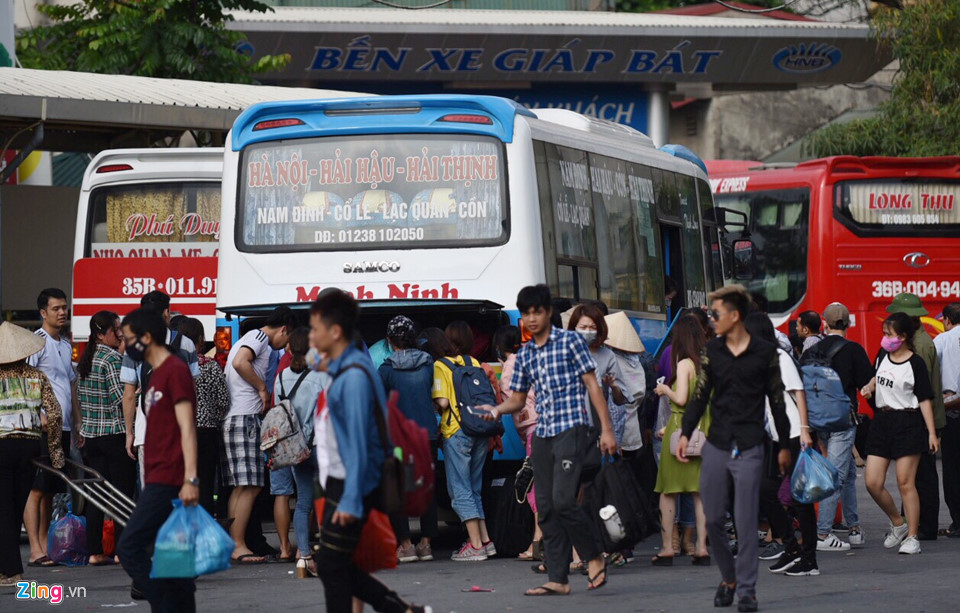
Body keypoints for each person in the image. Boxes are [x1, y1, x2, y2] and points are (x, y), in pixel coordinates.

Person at [480, 284, 617, 596]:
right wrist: (497, 409)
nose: (531, 318)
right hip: (542, 435)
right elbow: (516, 399)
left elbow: (593, 386)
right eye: (525, 313)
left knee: (565, 500)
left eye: (536, 312)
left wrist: (606, 430)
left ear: (548, 314)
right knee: (546, 506)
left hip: (573, 430)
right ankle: (557, 578)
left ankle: (594, 555)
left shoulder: (570, 343)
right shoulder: (525, 354)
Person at [309, 289, 432, 613]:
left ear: (334, 332)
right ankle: (404, 609)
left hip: (354, 483)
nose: (310, 336)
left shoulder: (353, 377)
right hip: (343, 481)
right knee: (337, 564)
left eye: (314, 329)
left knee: (332, 565)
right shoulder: (348, 366)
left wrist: (350, 498)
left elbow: (360, 446)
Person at [677, 285, 790, 613]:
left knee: (744, 519)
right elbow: (699, 396)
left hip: (750, 445)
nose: (711, 319)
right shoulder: (712, 350)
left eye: (716, 314)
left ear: (735, 316)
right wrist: (686, 433)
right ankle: (728, 578)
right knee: (713, 519)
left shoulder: (766, 353)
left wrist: (784, 446)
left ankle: (747, 590)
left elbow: (779, 402)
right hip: (716, 443)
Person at [115, 308, 200, 612]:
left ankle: (163, 604)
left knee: (129, 546)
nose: (124, 347)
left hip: (171, 479)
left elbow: (187, 426)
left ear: (147, 338)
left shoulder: (175, 370)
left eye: (127, 339)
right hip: (156, 475)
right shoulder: (152, 375)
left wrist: (191, 478)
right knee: (174, 562)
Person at [743, 314, 819, 577]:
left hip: (795, 435)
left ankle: (809, 559)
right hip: (777, 437)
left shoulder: (779, 357)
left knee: (801, 501)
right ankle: (791, 546)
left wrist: (806, 431)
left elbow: (798, 392)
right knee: (767, 492)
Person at [860, 312, 939, 555]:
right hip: (882, 422)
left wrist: (931, 433)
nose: (885, 339)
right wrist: (870, 386)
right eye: (884, 334)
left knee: (906, 483)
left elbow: (924, 399)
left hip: (908, 422)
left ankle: (912, 537)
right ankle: (898, 523)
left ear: (903, 337)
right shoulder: (883, 354)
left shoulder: (915, 363)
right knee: (872, 482)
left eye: (889, 334)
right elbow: (878, 377)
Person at [222, 305, 296, 564]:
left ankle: (234, 543)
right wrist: (262, 389)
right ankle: (238, 544)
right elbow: (240, 362)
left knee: (242, 486)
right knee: (251, 485)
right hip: (245, 418)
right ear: (284, 329)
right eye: (287, 338)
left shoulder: (253, 338)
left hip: (238, 418)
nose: (285, 345)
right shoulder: (260, 338)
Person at [0, 322, 64, 588]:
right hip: (28, 447)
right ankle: (9, 570)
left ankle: (10, 570)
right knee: (15, 505)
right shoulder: (37, 376)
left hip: (1, 446)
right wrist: (56, 452)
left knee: (3, 507)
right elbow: (55, 413)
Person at [809, 303, 873, 550]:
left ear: (824, 323)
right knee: (835, 475)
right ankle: (823, 533)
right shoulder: (854, 350)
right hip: (843, 420)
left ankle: (854, 527)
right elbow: (866, 384)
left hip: (818, 420)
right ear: (847, 324)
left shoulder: (813, 350)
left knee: (845, 473)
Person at [121, 291, 200, 488]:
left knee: (151, 487)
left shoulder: (135, 347)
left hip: (146, 429)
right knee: (177, 488)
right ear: (167, 312)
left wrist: (129, 432)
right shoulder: (187, 344)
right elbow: (193, 389)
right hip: (178, 430)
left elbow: (129, 394)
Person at [24, 287, 79, 568]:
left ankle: (45, 544)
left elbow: (71, 385)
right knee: (36, 487)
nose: (62, 313)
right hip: (43, 427)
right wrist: (39, 415)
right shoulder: (36, 342)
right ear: (43, 313)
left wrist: (77, 424)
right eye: (56, 308)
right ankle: (34, 548)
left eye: (64, 308)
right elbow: (26, 381)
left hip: (64, 425)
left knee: (50, 489)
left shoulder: (66, 344)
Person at [429, 324, 494, 562]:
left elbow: (444, 402)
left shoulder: (440, 365)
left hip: (457, 430)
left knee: (460, 489)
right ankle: (485, 541)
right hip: (480, 429)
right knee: (474, 488)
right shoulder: (474, 362)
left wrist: (434, 400)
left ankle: (475, 546)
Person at [271, 326, 331, 577]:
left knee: (304, 503)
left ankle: (304, 557)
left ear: (289, 348)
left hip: (296, 450)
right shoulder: (322, 376)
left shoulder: (281, 377)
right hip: (322, 446)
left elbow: (277, 413)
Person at [77, 310, 136, 566]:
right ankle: (122, 550)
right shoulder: (112, 358)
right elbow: (119, 399)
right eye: (116, 330)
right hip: (114, 434)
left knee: (97, 495)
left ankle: (94, 551)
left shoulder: (86, 359)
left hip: (91, 436)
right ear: (102, 334)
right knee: (122, 492)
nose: (120, 333)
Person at [379, 316, 438, 564]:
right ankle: (426, 545)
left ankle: (406, 545)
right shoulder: (429, 365)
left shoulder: (385, 370)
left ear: (390, 341)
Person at [652, 315, 710, 566]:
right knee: (700, 494)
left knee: (667, 492)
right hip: (705, 431)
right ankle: (701, 548)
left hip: (680, 430)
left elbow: (682, 399)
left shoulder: (686, 364)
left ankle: (667, 548)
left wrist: (665, 390)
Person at [887, 293, 944, 540]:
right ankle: (918, 523)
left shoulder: (918, 346)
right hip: (923, 416)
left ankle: (923, 526)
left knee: (920, 477)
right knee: (917, 475)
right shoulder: (922, 340)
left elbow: (919, 390)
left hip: (920, 418)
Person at [494, 324, 542, 561]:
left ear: (499, 348)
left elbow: (515, 401)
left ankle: (537, 542)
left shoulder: (511, 367)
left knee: (533, 485)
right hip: (543, 426)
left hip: (533, 428)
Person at [177, 318, 229, 516]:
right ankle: (204, 531)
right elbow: (224, 400)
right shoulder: (210, 366)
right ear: (200, 340)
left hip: (180, 430)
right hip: (206, 432)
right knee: (205, 483)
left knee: (183, 482)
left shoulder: (173, 364)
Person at [568, 304, 630, 447]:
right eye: (583, 328)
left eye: (592, 328)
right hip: (567, 426)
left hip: (595, 427)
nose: (587, 332)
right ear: (573, 328)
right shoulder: (562, 352)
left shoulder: (607, 356)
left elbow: (621, 400)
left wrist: (613, 387)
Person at [934, 303, 960, 537]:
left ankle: (958, 522)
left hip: (952, 411)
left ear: (947, 320)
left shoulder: (942, 340)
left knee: (952, 469)